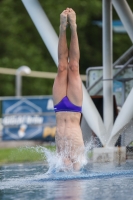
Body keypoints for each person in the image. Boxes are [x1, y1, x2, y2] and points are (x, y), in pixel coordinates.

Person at [53, 8, 85, 171]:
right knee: (72, 67)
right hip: (73, 106)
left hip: (61, 108)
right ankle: (70, 27)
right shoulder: (66, 162)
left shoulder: (73, 161)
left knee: (64, 67)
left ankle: (66, 27)